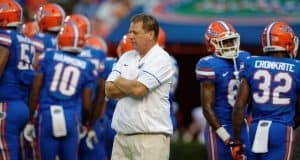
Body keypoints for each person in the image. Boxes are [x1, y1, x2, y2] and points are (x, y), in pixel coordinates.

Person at [105, 13, 174, 160]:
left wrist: (119, 81)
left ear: (150, 34)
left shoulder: (161, 58)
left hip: (150, 138)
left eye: (135, 32)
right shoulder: (126, 56)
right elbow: (108, 90)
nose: (130, 36)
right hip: (121, 136)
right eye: (129, 32)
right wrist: (132, 83)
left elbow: (139, 90)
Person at [27, 22, 96, 160]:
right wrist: (85, 124)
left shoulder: (48, 56)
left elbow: (35, 90)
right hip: (72, 117)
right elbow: (87, 105)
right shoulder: (88, 66)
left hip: (48, 115)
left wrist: (30, 120)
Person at [232, 21, 300, 160]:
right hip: (281, 129)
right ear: (287, 42)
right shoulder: (297, 67)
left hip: (256, 128)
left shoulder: (251, 63)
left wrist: (237, 141)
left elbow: (239, 106)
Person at [195, 20, 251, 160]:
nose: (231, 46)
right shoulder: (208, 65)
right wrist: (225, 137)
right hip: (219, 127)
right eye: (225, 42)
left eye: (232, 41)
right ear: (212, 44)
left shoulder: (245, 58)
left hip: (242, 125)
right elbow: (207, 108)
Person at [0, 1, 35, 159]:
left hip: (6, 105)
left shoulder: (4, 37)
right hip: (21, 105)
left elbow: (2, 61)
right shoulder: (27, 40)